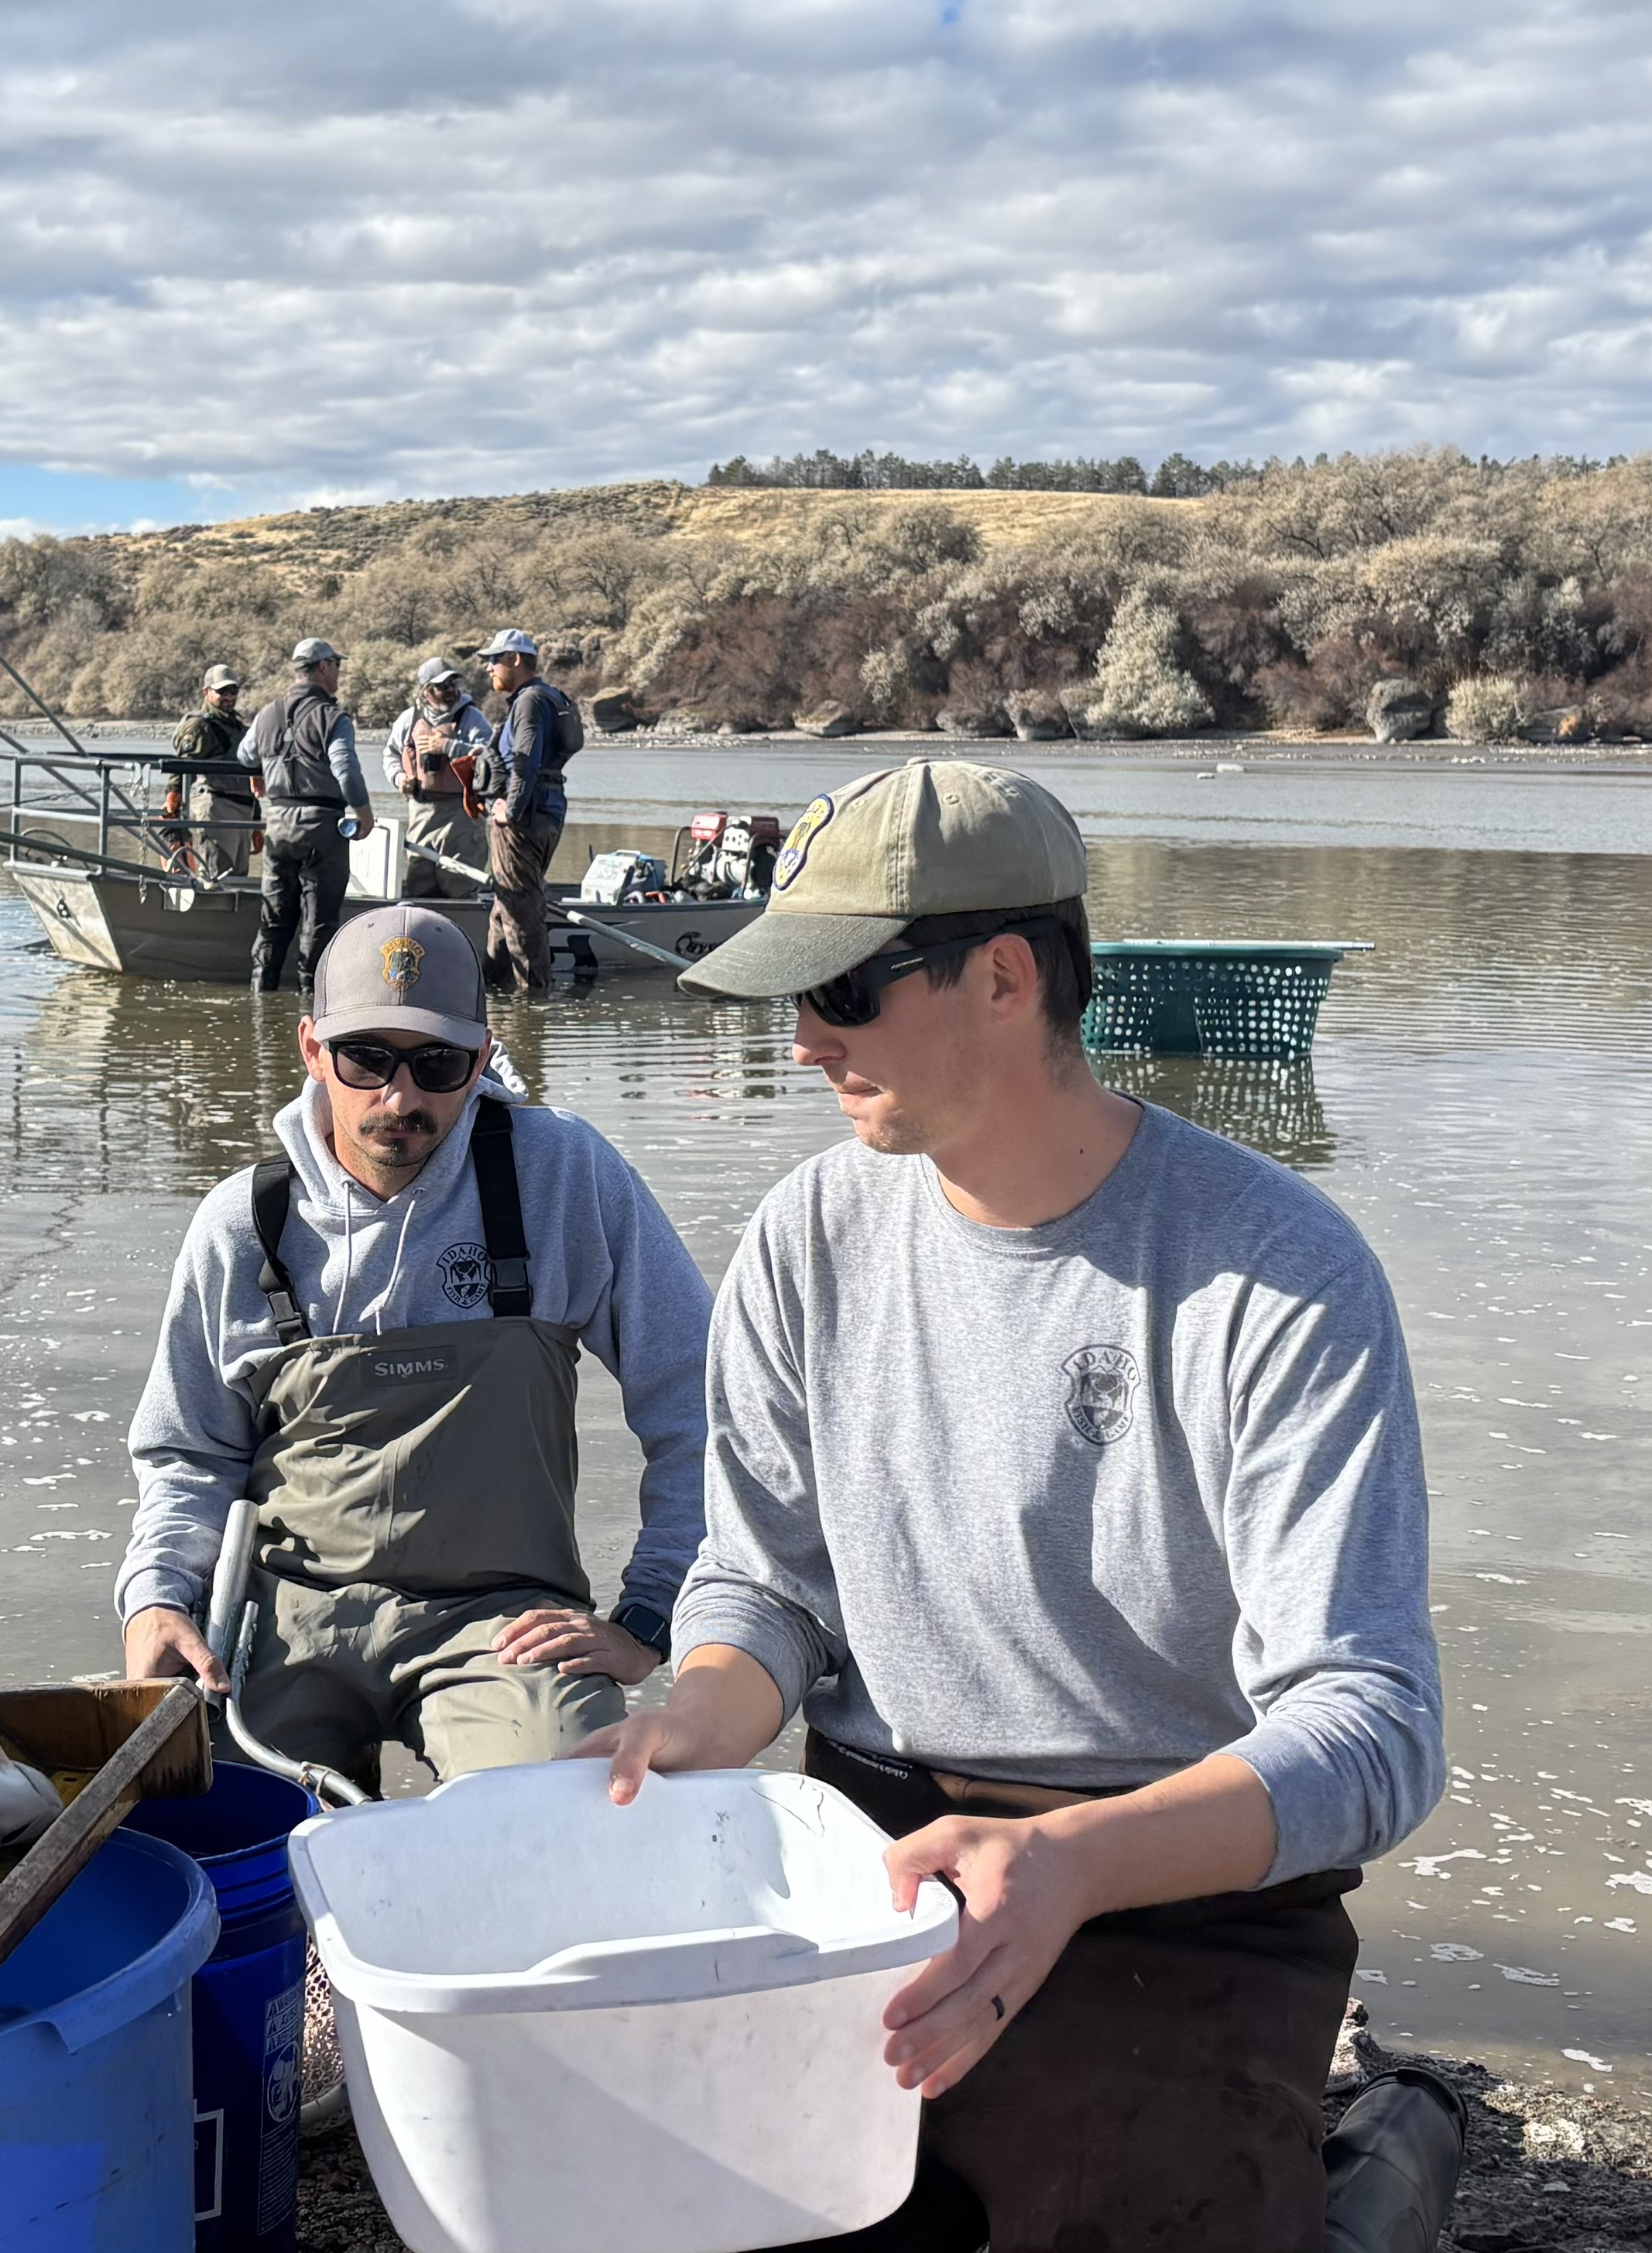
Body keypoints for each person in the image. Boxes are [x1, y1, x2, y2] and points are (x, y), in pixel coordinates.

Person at [590, 760, 1442, 2253]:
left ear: (1000, 975)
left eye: (838, 992)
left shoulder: (1279, 1268)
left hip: (1175, 1890)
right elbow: (764, 1581)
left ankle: (1385, 2166)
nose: (799, 1043)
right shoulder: (804, 1235)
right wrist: (700, 1707)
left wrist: (1072, 1864)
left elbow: (1370, 1726)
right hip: (874, 1854)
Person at [115, 905, 711, 1796]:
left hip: (503, 1622)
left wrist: (650, 1614)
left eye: (437, 1065)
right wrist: (159, 1595)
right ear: (313, 1050)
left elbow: (706, 1400)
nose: (401, 1098)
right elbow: (190, 1453)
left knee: (579, 1809)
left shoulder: (564, 1177)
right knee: (194, 1821)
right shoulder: (244, 1223)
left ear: (480, 1060)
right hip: (288, 1620)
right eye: (368, 1059)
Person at [240, 636, 372, 992]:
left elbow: (245, 754)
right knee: (319, 919)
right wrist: (365, 813)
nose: (339, 674)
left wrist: (261, 772)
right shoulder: (332, 717)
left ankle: (261, 993)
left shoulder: (268, 714)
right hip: (321, 827)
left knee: (274, 917)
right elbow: (345, 769)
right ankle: (311, 1000)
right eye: (337, 667)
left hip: (278, 824)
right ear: (324, 667)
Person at [475, 629, 577, 989]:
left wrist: (511, 811)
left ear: (515, 660)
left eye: (494, 660)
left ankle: (532, 1006)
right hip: (548, 812)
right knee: (506, 908)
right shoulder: (550, 697)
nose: (489, 668)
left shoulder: (528, 701)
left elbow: (526, 760)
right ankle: (492, 989)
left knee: (521, 915)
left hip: (522, 822)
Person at [389, 657, 491, 900]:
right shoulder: (408, 719)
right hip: (421, 814)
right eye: (442, 686)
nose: (450, 691)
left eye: (453, 684)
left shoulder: (472, 718)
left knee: (458, 884)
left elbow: (490, 755)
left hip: (463, 815)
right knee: (419, 882)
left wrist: (449, 746)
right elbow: (391, 755)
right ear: (426, 691)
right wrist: (399, 777)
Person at [169, 664, 258, 876]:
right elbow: (182, 765)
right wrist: (174, 794)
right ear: (206, 692)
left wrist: (256, 821)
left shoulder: (238, 727)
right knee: (216, 876)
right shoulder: (200, 727)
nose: (228, 697)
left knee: (239, 878)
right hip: (216, 807)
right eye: (222, 691)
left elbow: (251, 777)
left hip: (243, 810)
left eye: (233, 691)